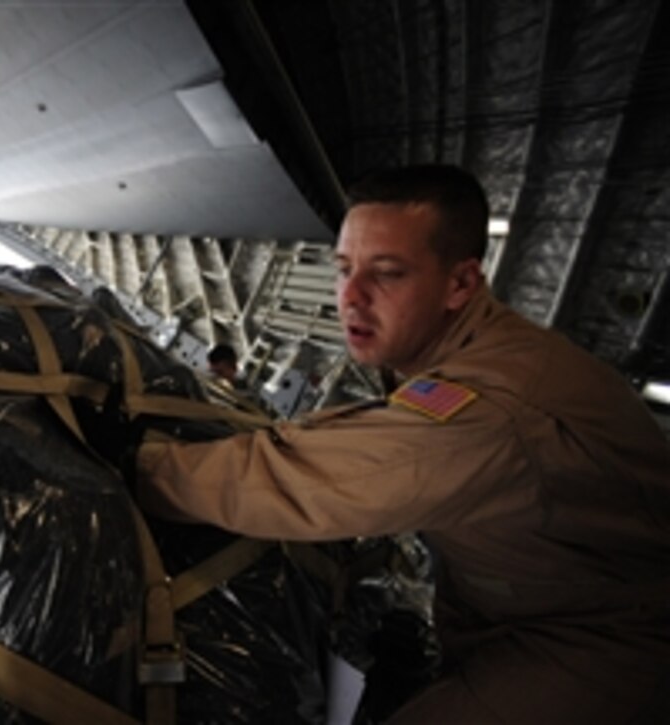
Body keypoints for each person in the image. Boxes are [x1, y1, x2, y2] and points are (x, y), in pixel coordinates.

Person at [135, 164, 670, 722]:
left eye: (387, 274)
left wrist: (136, 467)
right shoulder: (463, 354)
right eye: (344, 269)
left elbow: (304, 481)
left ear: (461, 283)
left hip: (609, 641)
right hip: (521, 616)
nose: (351, 297)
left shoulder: (495, 407)